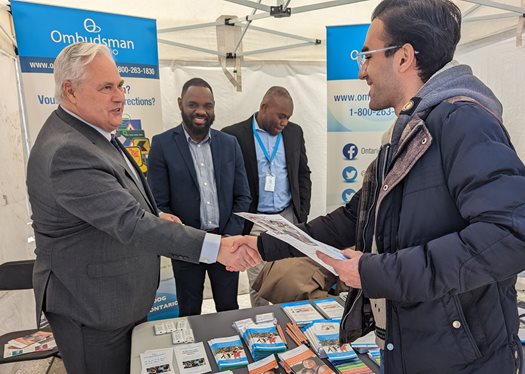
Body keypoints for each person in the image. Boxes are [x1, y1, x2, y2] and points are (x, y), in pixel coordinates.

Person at [235, 0, 525, 372]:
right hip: (415, 344)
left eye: (367, 56)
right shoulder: (407, 133)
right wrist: (262, 244)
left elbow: (515, 235)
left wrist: (375, 272)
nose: (361, 70)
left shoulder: (463, 121)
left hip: (462, 359)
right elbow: (354, 217)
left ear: (403, 58)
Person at [26, 42, 259, 374]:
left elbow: (119, 205)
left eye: (120, 85)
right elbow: (130, 222)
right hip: (93, 311)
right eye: (106, 87)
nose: (119, 95)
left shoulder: (95, 134)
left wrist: (157, 216)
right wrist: (217, 247)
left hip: (114, 303)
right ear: (70, 91)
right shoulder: (69, 150)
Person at [147, 78, 251, 316]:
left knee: (229, 309)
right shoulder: (162, 145)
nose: (201, 111)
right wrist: (174, 228)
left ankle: (229, 350)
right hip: (187, 244)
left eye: (208, 105)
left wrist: (229, 236)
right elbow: (158, 202)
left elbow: (243, 196)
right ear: (180, 103)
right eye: (193, 104)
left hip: (225, 241)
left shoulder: (229, 144)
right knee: (189, 310)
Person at [223, 86, 331, 307]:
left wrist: (302, 214)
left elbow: (303, 174)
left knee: (290, 276)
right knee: (259, 282)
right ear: (264, 108)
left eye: (288, 118)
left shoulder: (294, 132)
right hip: (254, 221)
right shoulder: (233, 135)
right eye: (280, 116)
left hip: (287, 219)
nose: (284, 122)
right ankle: (264, 328)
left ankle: (291, 324)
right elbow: (226, 184)